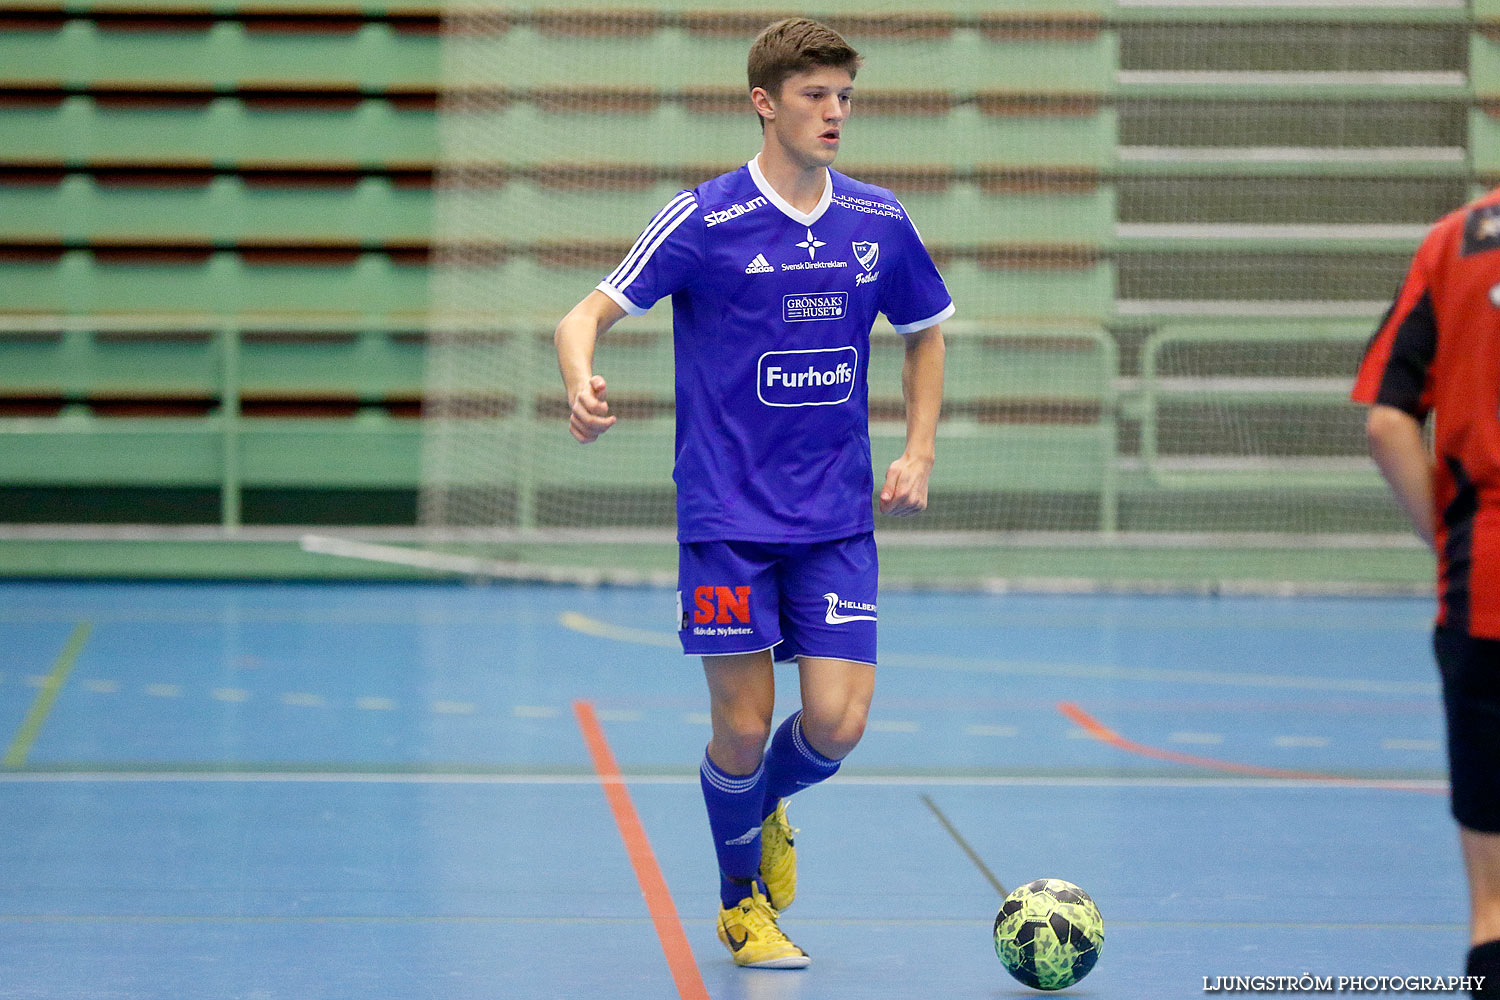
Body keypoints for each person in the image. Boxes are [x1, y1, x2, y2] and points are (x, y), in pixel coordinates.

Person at [554, 16, 952, 969]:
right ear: (765, 104)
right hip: (728, 522)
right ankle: (743, 905)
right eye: (815, 96)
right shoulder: (706, 219)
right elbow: (584, 312)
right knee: (739, 724)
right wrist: (581, 378)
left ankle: (758, 807)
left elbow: (926, 329)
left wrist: (919, 450)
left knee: (837, 724)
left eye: (845, 96)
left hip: (836, 521)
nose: (835, 113)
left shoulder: (878, 221)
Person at [1354, 190, 1500, 995]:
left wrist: (1446, 535)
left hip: (1488, 581)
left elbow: (1387, 422)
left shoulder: (1459, 240)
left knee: (1495, 909)